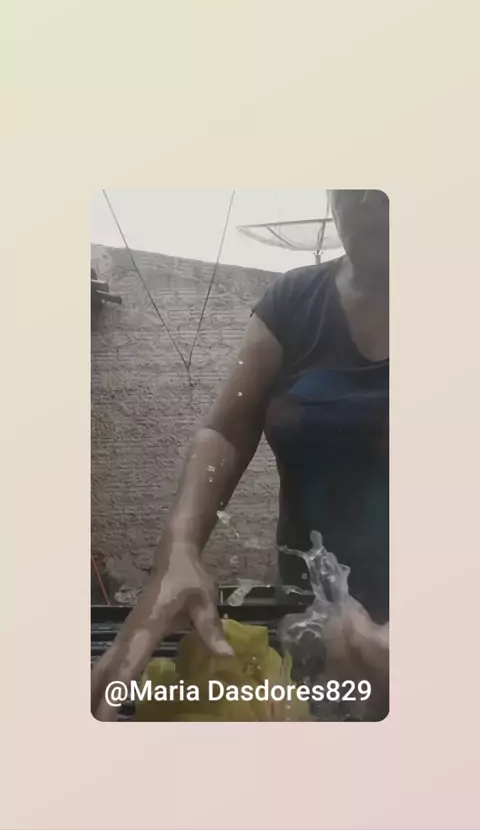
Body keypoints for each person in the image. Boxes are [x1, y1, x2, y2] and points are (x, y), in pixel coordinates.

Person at [91, 189, 389, 720]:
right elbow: (225, 433)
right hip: (310, 626)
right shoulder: (295, 302)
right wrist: (178, 550)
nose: (367, 195)